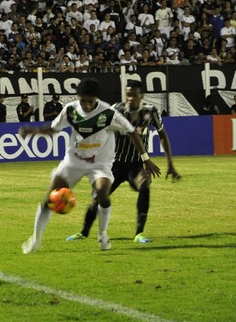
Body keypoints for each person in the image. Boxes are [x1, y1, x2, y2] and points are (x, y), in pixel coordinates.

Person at [19, 78, 160, 254]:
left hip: (99, 164)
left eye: (90, 101)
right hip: (74, 161)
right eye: (82, 100)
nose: (86, 105)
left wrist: (145, 158)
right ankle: (35, 240)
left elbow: (132, 132)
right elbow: (55, 128)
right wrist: (35, 131)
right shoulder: (70, 110)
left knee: (102, 192)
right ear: (78, 97)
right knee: (48, 199)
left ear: (97, 99)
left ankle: (102, 235)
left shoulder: (109, 113)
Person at [66, 80, 181, 245]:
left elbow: (162, 135)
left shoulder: (151, 111)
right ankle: (83, 232)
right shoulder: (116, 110)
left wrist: (170, 164)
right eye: (128, 94)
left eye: (134, 95)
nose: (130, 98)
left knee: (144, 185)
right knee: (99, 196)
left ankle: (139, 233)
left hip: (137, 164)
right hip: (115, 164)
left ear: (142, 96)